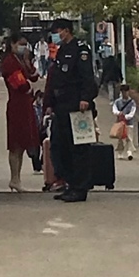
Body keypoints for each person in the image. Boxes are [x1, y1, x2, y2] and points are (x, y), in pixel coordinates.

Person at [45, 19, 98, 204]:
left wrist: (85, 98)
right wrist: (50, 103)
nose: (55, 35)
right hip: (61, 105)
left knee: (79, 148)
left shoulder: (80, 50)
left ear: (66, 31)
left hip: (77, 106)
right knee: (61, 147)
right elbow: (56, 79)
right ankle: (69, 184)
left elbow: (87, 77)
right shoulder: (61, 51)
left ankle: (80, 187)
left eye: (57, 31)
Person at [0, 32, 41, 192]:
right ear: (12, 44)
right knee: (16, 144)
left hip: (26, 104)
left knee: (23, 143)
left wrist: (27, 61)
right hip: (17, 105)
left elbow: (34, 76)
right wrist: (30, 86)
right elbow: (21, 85)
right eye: (21, 43)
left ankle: (17, 179)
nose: (23, 47)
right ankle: (14, 178)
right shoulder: (9, 62)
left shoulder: (21, 60)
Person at [110, 84, 138, 160]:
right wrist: (118, 113)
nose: (124, 93)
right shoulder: (117, 101)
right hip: (120, 122)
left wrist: (126, 116)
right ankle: (120, 152)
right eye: (122, 92)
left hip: (129, 123)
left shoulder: (132, 102)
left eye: (125, 91)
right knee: (120, 138)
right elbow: (114, 109)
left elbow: (132, 111)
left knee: (129, 137)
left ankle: (129, 152)